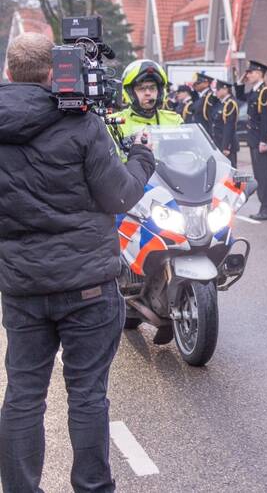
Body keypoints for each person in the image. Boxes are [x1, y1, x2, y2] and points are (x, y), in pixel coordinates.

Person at [0, 32, 155, 492]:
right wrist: (142, 157)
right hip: (87, 286)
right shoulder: (82, 123)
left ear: (8, 73)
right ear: (56, 73)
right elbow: (119, 196)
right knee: (87, 395)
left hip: (23, 287)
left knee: (23, 396)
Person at [241, 60, 267, 220]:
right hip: (254, 140)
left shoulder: (264, 92)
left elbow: (266, 118)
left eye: (251, 72)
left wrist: (264, 140)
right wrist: (240, 82)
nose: (248, 75)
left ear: (260, 74)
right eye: (247, 73)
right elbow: (240, 97)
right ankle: (264, 208)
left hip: (260, 141)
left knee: (264, 176)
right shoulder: (254, 91)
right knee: (259, 176)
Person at [117, 59, 184, 140]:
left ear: (160, 92)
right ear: (129, 93)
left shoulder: (174, 120)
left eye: (152, 88)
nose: (148, 93)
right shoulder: (115, 123)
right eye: (141, 88)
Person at [211, 79, 239, 167]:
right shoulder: (220, 103)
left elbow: (229, 126)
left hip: (226, 144)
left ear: (225, 89)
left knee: (230, 170)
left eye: (218, 89)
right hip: (218, 142)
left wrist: (226, 146)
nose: (216, 92)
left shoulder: (230, 104)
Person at [186, 71, 216, 138]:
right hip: (199, 132)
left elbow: (211, 118)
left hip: (206, 132)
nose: (194, 86)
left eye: (197, 83)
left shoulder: (210, 97)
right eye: (194, 84)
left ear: (206, 83)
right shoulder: (199, 96)